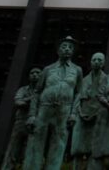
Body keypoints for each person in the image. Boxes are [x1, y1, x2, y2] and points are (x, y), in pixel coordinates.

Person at [24, 36, 83, 170]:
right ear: (58, 50)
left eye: (70, 47)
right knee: (36, 142)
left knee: (59, 143)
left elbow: (79, 93)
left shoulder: (77, 70)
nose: (67, 49)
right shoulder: (47, 69)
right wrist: (32, 115)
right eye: (64, 46)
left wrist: (73, 113)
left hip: (64, 109)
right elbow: (37, 92)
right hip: (45, 108)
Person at [71, 52, 107, 169]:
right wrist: (78, 112)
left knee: (94, 150)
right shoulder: (84, 80)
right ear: (91, 62)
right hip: (82, 117)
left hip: (98, 118)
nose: (96, 62)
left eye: (99, 60)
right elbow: (77, 98)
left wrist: (98, 113)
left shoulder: (107, 79)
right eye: (94, 60)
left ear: (104, 63)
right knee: (78, 148)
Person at [1, 67, 41, 170]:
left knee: (31, 151)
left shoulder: (44, 91)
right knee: (13, 149)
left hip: (36, 123)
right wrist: (31, 99)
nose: (35, 75)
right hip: (20, 122)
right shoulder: (23, 89)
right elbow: (18, 102)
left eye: (37, 73)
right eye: (32, 73)